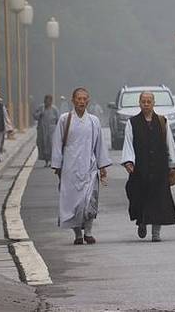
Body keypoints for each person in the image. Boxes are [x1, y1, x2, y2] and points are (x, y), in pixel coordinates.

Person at [51, 87, 111, 245]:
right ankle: (77, 233)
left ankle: (88, 232)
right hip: (70, 168)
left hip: (89, 167)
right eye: (79, 99)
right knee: (73, 203)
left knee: (90, 200)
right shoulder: (65, 119)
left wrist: (102, 166)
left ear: (88, 101)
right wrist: (57, 164)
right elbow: (57, 143)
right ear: (73, 100)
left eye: (84, 99)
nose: (81, 102)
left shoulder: (93, 121)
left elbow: (99, 145)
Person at [121, 91, 175, 242]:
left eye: (149, 101)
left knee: (159, 201)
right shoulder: (132, 123)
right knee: (139, 197)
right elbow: (128, 143)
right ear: (139, 103)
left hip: (160, 169)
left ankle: (156, 233)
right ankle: (142, 221)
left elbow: (169, 143)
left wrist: (172, 165)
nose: (146, 104)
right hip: (140, 169)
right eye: (143, 101)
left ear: (154, 103)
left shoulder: (162, 122)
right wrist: (129, 162)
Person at [33, 94, 59, 167]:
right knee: (43, 145)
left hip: (51, 131)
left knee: (51, 145)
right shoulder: (41, 108)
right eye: (46, 101)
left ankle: (51, 161)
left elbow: (58, 119)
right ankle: (46, 161)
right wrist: (40, 114)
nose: (47, 102)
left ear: (51, 101)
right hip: (42, 130)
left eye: (49, 101)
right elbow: (35, 116)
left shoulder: (54, 109)